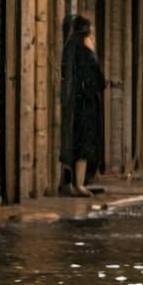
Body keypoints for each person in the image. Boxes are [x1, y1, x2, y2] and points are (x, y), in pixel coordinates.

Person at [60, 14, 106, 197]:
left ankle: (71, 183)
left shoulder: (69, 47)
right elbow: (98, 79)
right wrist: (92, 52)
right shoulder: (84, 50)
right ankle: (78, 184)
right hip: (85, 106)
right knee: (83, 144)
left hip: (73, 105)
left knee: (71, 143)